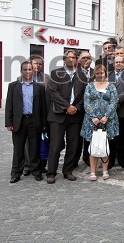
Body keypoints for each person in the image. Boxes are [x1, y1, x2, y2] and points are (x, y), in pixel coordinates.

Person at [46, 50, 86, 184]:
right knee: (55, 145)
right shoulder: (56, 73)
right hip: (58, 114)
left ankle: (67, 170)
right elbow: (53, 92)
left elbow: (83, 96)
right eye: (68, 57)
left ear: (77, 60)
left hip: (75, 115)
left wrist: (76, 107)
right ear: (64, 59)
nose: (71, 60)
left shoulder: (82, 75)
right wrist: (66, 106)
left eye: (73, 57)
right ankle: (51, 172)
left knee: (73, 145)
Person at [5, 61, 47, 183]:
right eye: (25, 69)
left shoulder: (39, 87)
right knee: (18, 149)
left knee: (35, 148)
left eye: (30, 69)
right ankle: (16, 173)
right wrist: (9, 122)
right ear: (21, 71)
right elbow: (9, 105)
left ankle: (36, 171)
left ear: (33, 71)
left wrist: (44, 123)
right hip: (19, 121)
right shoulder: (13, 86)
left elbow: (43, 107)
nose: (28, 72)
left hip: (34, 121)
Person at [81, 65, 119, 181]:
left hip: (108, 121)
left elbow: (114, 102)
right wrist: (93, 117)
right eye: (97, 73)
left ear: (105, 74)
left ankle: (105, 170)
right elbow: (86, 102)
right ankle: (93, 172)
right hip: (92, 121)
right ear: (95, 75)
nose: (100, 75)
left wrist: (106, 116)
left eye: (102, 73)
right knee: (94, 145)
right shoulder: (89, 87)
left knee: (104, 145)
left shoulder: (111, 86)